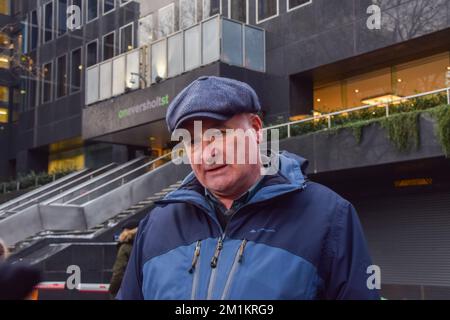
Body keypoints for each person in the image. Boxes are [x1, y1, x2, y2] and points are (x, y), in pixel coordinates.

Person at [117, 76, 380, 300]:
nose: (208, 154)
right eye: (194, 141)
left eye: (219, 134)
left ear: (255, 129)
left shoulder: (331, 217)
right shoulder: (155, 226)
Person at [109, 220, 139, 298]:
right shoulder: (144, 245)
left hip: (126, 291)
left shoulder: (125, 248)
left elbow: (119, 272)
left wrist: (112, 290)